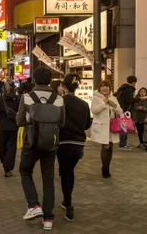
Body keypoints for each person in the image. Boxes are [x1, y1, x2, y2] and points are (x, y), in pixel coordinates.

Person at [16, 66, 65, 231]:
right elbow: (62, 123)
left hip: (31, 143)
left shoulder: (27, 97)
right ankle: (48, 219)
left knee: (25, 172)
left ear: (34, 80)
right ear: (50, 80)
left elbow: (20, 121)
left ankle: (34, 205)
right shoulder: (58, 99)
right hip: (51, 144)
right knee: (48, 179)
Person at [57, 74, 91, 222]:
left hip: (63, 142)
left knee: (65, 173)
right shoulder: (84, 104)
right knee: (69, 171)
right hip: (79, 144)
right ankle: (66, 200)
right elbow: (86, 125)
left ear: (63, 87)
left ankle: (69, 205)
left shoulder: (59, 102)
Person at [91, 80, 123, 179]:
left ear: (110, 88)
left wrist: (113, 105)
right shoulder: (96, 98)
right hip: (101, 126)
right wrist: (103, 103)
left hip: (112, 126)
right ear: (99, 88)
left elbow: (120, 111)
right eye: (102, 86)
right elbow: (94, 110)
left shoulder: (113, 98)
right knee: (105, 146)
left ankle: (107, 167)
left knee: (111, 147)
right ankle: (104, 168)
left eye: (107, 86)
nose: (105, 88)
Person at [0, 80, 20, 177]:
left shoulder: (1, 99)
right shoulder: (17, 99)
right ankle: (8, 167)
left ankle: (5, 162)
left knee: (3, 146)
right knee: (12, 147)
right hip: (14, 126)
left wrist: (2, 120)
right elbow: (20, 113)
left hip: (3, 126)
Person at [114, 75, 137, 150]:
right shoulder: (128, 89)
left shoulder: (122, 88)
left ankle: (123, 143)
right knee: (124, 127)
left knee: (123, 126)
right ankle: (122, 144)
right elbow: (129, 100)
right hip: (125, 110)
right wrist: (138, 99)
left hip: (121, 109)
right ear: (134, 82)